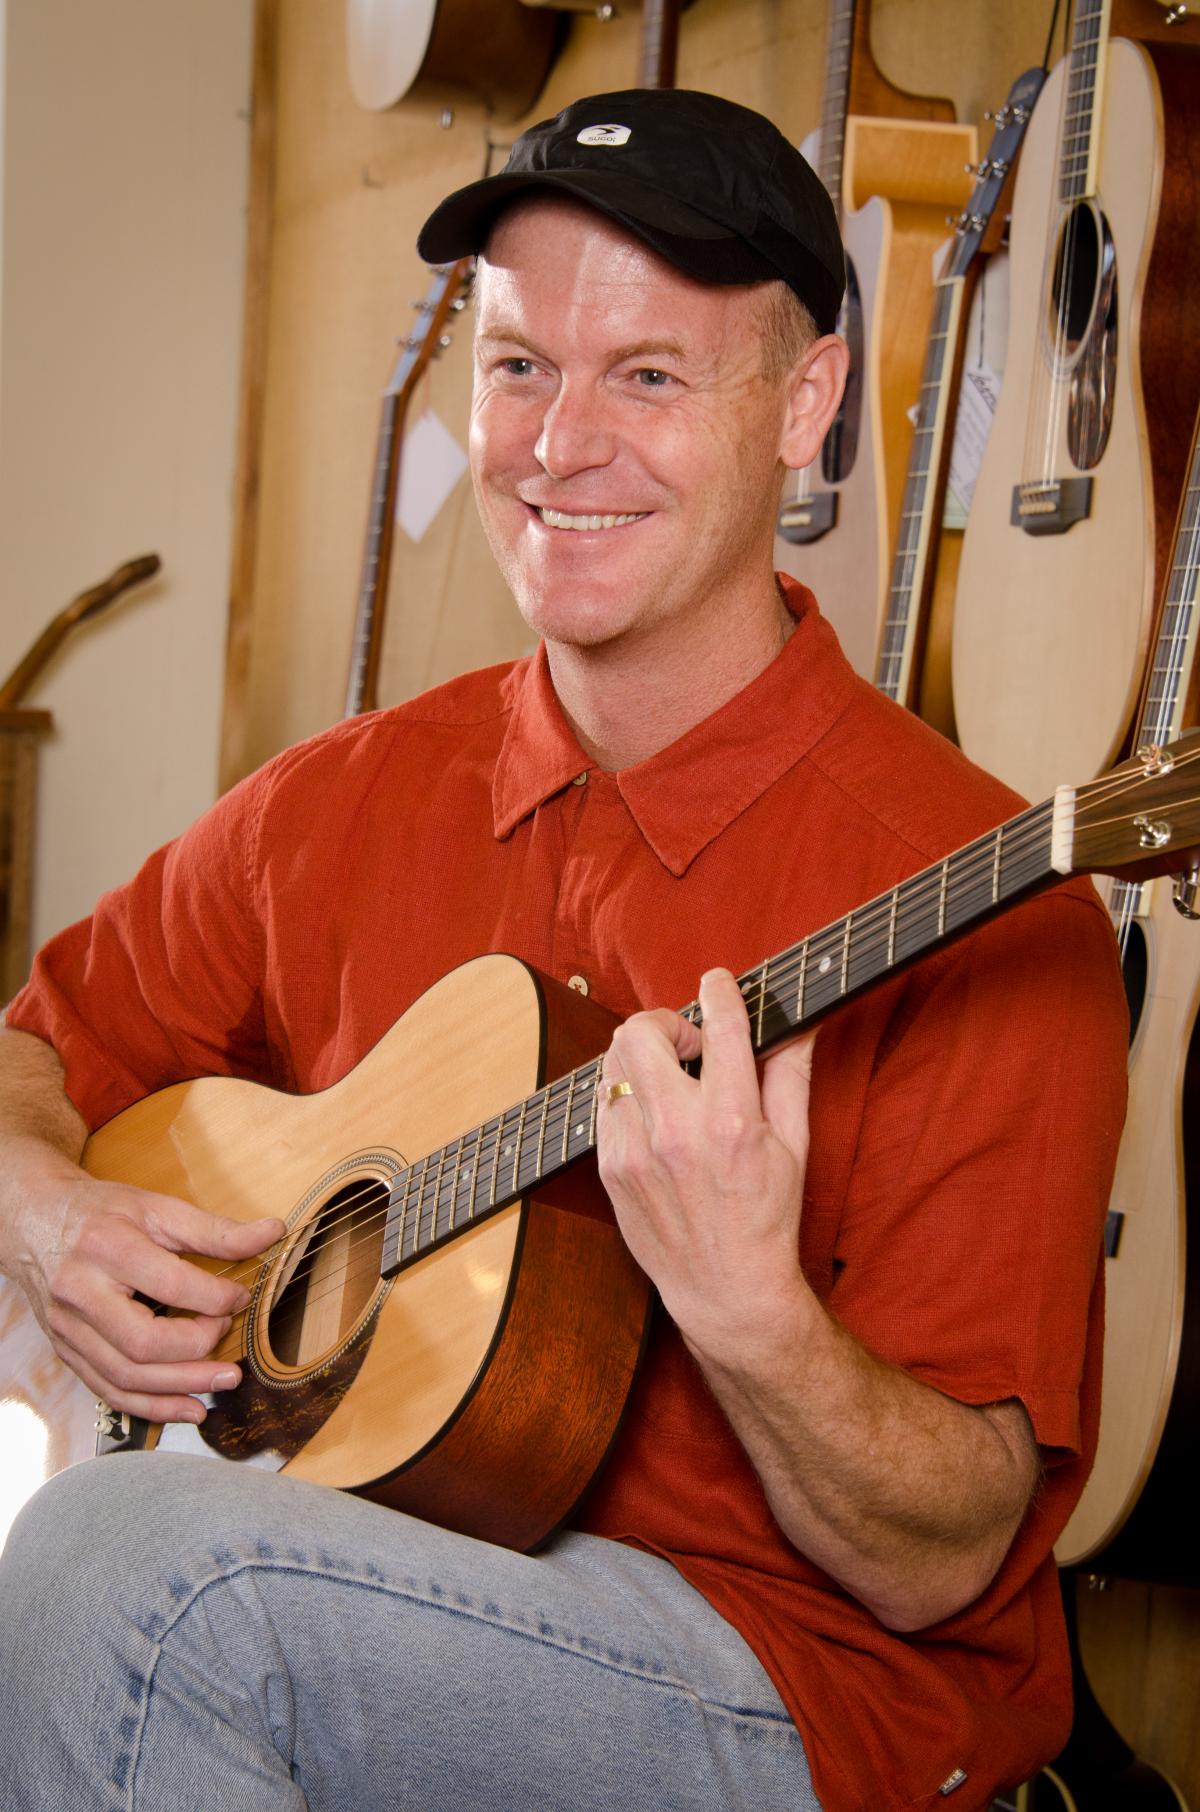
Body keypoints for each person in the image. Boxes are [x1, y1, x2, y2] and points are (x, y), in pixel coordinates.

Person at [0, 89, 1127, 1812]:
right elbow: (33, 1051)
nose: (557, 442)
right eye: (519, 364)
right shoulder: (342, 800)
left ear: (806, 407)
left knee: (139, 1580)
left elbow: (937, 1564)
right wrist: (54, 1212)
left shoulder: (986, 902)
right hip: (367, 1557)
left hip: (800, 1682)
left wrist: (750, 1314)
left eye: (650, 376)